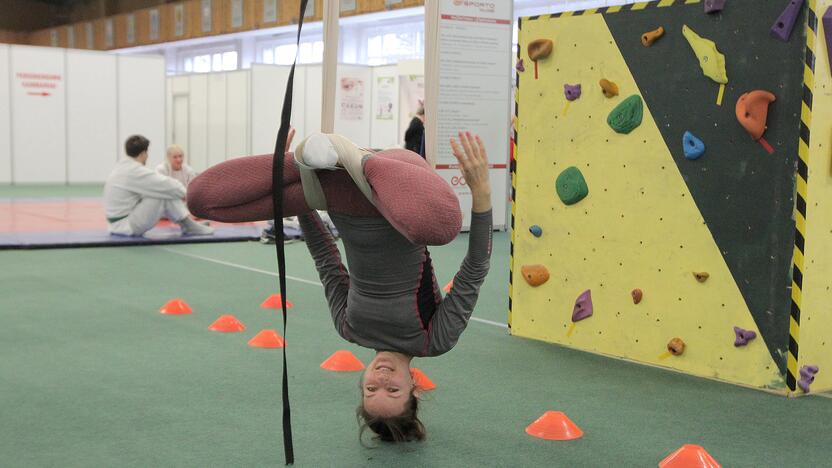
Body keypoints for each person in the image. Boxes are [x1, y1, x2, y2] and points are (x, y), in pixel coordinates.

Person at [186, 131, 492, 443]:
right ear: (414, 387)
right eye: (393, 388)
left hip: (340, 195)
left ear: (362, 384)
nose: (382, 378)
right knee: (437, 227)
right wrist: (481, 192)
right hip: (396, 188)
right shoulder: (433, 340)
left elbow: (326, 260)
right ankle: (351, 157)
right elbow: (474, 269)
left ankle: (311, 160)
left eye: (372, 388)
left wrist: (300, 191)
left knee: (202, 200)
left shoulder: (350, 328)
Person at [104, 135, 214, 237]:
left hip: (118, 224)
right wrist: (188, 195)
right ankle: (188, 225)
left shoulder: (122, 167)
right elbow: (171, 187)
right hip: (126, 226)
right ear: (143, 153)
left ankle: (188, 223)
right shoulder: (135, 171)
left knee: (162, 190)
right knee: (163, 192)